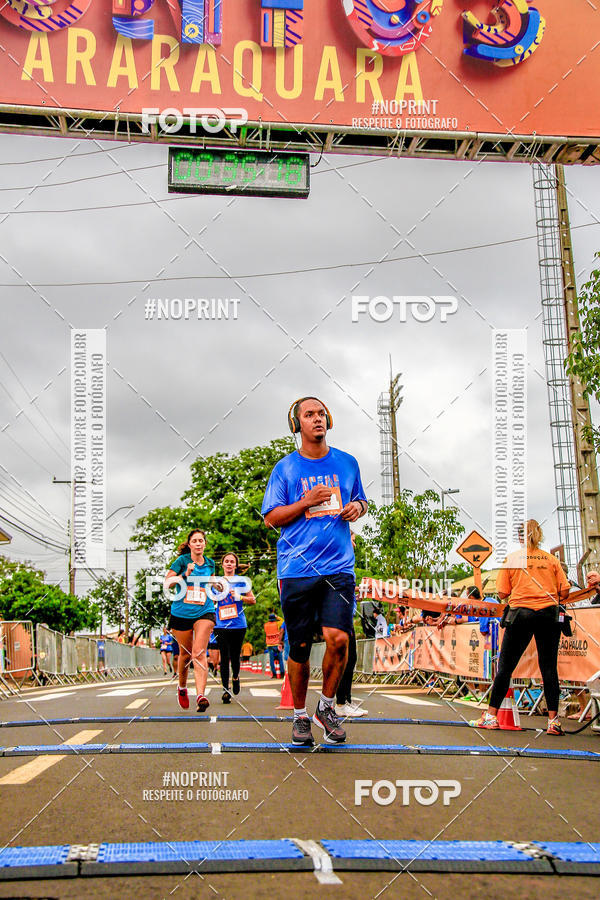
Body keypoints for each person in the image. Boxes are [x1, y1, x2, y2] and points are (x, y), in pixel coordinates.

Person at [261, 396, 367, 746]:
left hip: (339, 567)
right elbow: (271, 517)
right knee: (301, 646)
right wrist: (305, 502)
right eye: (309, 415)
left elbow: (361, 499)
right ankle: (299, 716)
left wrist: (357, 507)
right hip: (297, 569)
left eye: (322, 413)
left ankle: (326, 707)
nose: (317, 419)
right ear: (297, 424)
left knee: (339, 638)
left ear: (329, 420)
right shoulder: (285, 469)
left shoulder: (348, 463)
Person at [471, 519, 570, 735]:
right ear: (540, 535)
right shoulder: (551, 560)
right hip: (548, 615)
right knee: (549, 668)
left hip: (520, 615)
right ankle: (553, 722)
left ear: (519, 537)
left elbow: (502, 593)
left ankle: (491, 716)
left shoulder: (512, 559)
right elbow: (564, 592)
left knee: (506, 666)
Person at [164, 529, 217, 713]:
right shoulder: (181, 561)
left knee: (199, 652)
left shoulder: (210, 563)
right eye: (195, 541)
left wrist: (217, 585)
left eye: (201, 540)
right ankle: (182, 687)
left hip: (204, 610)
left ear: (205, 543)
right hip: (181, 612)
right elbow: (168, 583)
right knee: (185, 655)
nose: (198, 543)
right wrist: (185, 574)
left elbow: (211, 583)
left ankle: (201, 695)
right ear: (189, 544)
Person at [212, 552, 256, 703]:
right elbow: (211, 602)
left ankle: (235, 677)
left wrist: (239, 597)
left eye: (232, 562)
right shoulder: (217, 582)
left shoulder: (242, 581)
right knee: (224, 657)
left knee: (235, 655)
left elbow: (252, 600)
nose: (229, 564)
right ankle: (225, 689)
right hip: (221, 624)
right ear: (222, 564)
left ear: (236, 565)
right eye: (227, 561)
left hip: (238, 624)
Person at [264, 613, 285, 678]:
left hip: (269, 645)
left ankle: (274, 674)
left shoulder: (265, 625)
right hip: (277, 644)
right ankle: (282, 674)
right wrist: (277, 616)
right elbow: (283, 621)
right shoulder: (277, 624)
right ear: (274, 618)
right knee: (280, 659)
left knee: (271, 660)